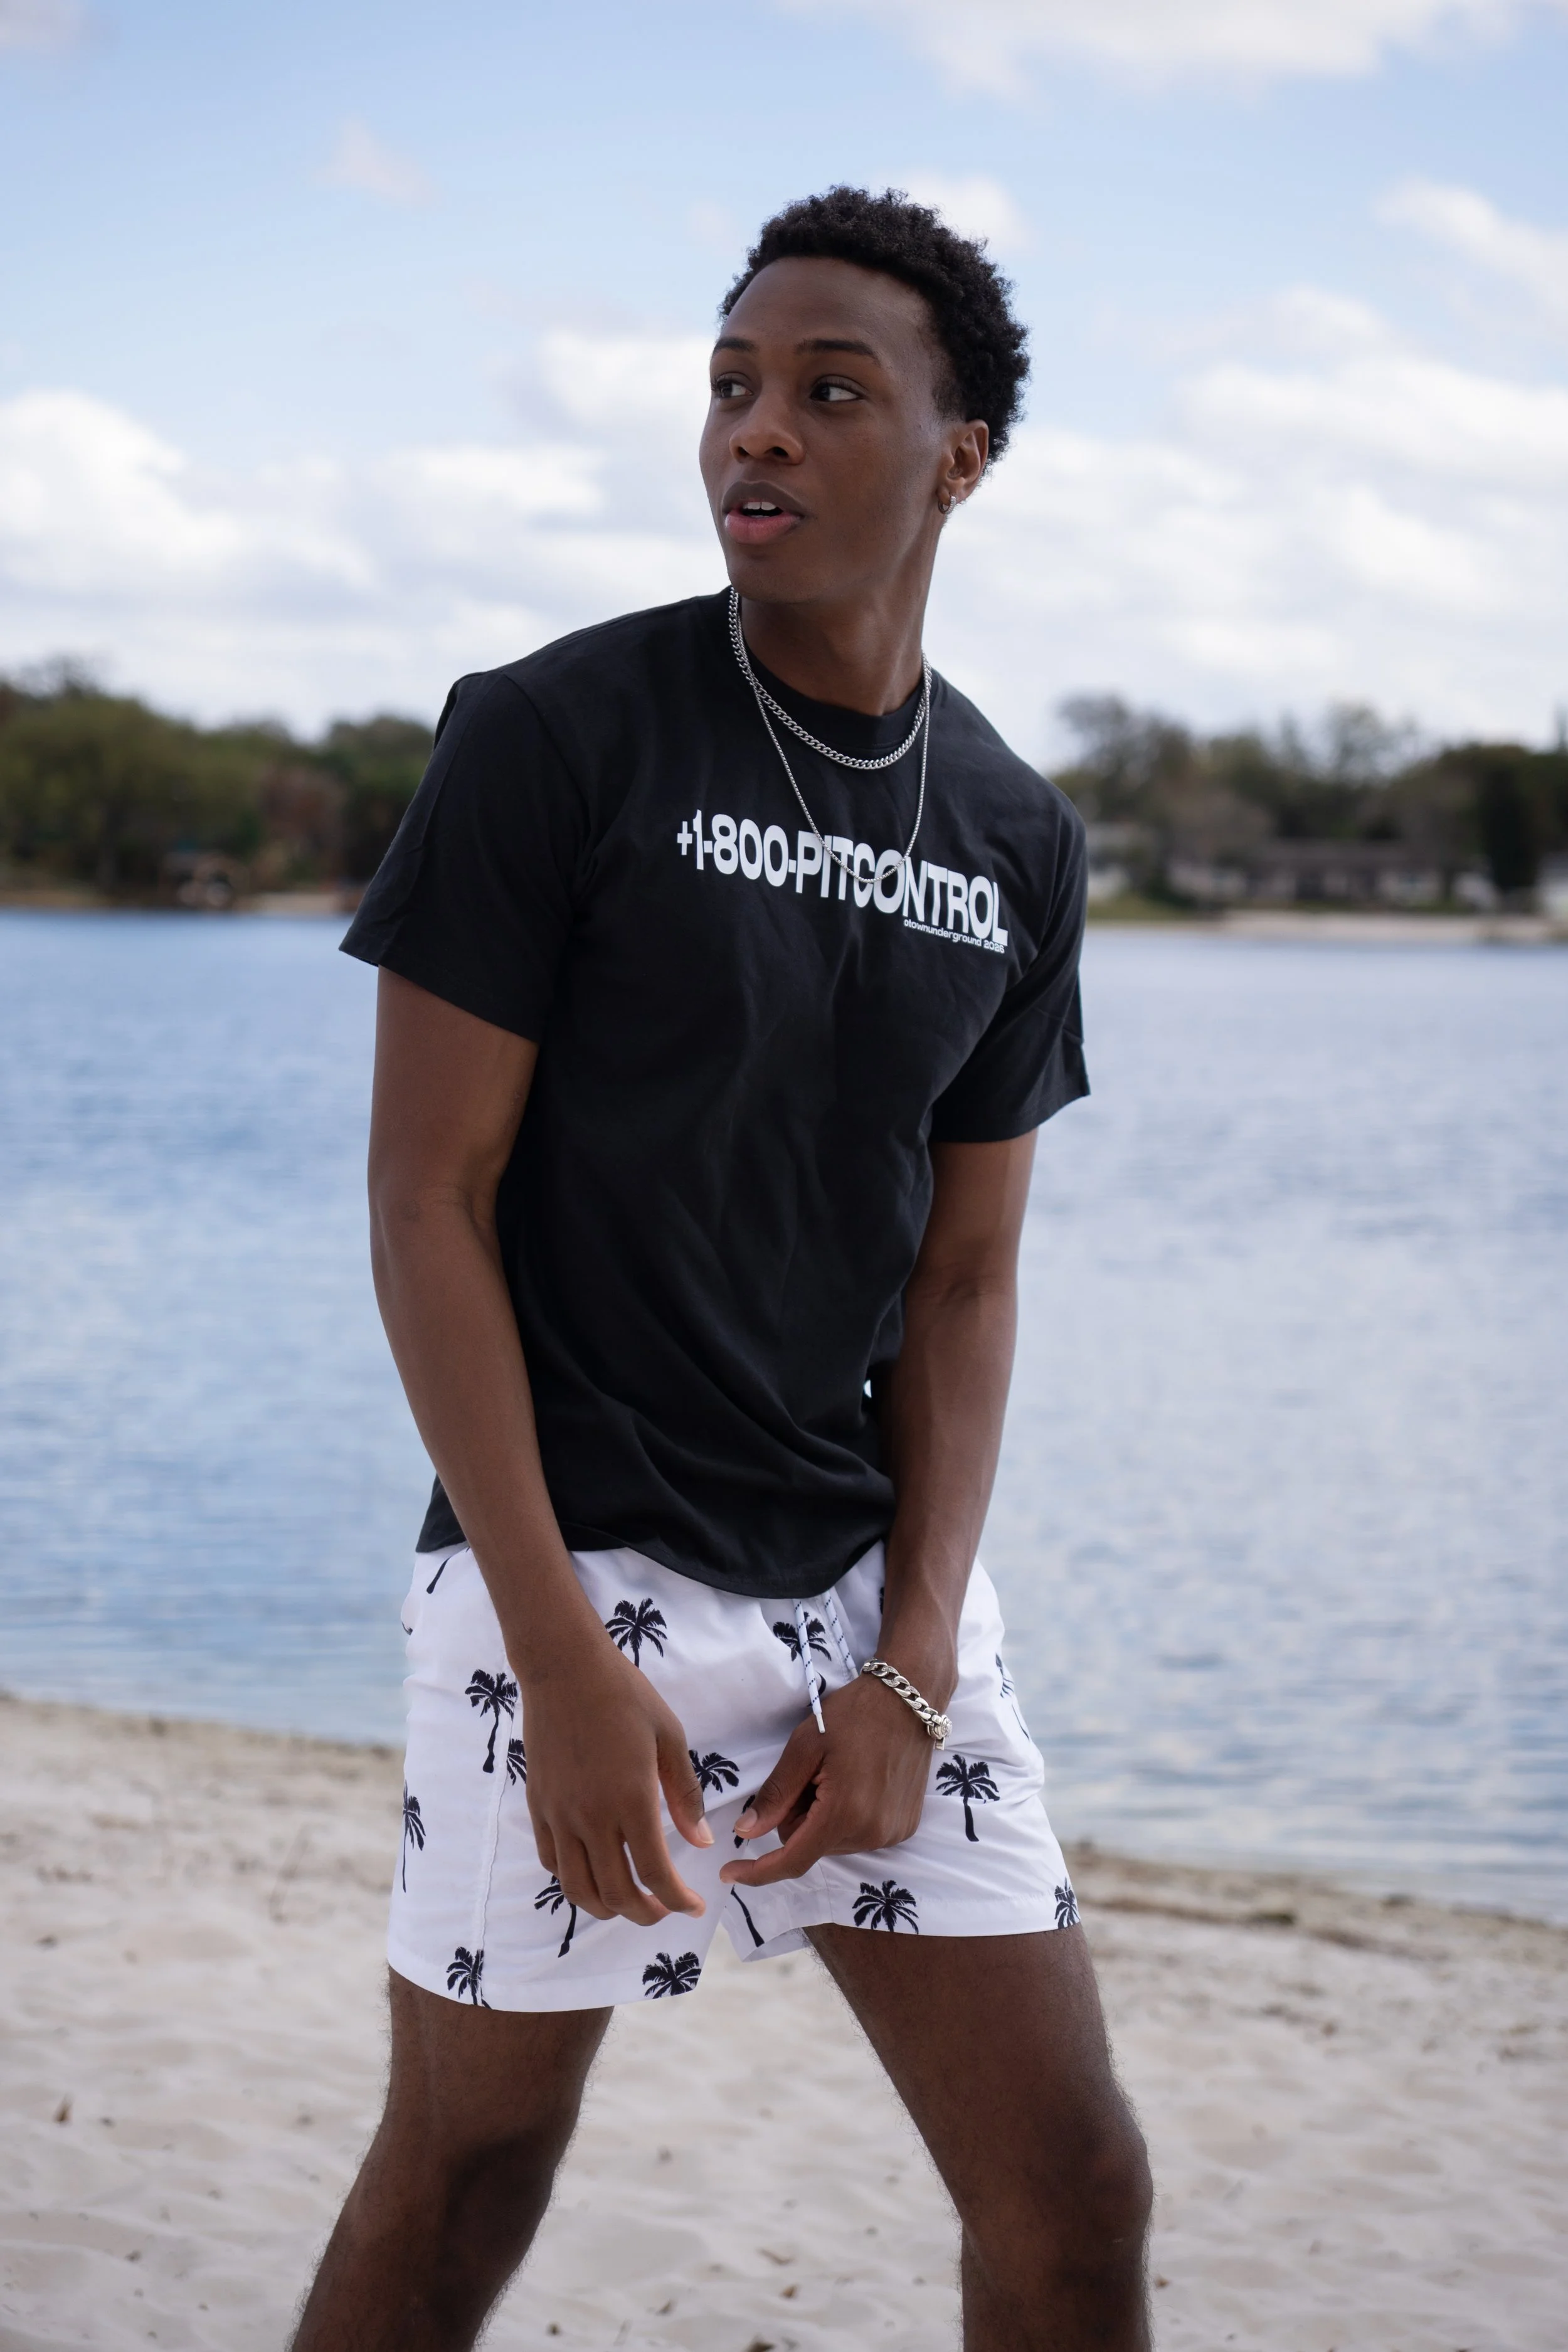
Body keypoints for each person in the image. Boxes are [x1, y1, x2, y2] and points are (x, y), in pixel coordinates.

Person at [295, 186, 1152, 2352]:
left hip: (869, 1597)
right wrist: (564, 1657)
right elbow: (425, 1204)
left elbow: (962, 1288)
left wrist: (913, 1666)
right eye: (732, 387)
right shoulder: (556, 733)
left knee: (1069, 2186)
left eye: (829, 392)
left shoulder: (1016, 839)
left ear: (961, 454)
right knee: (471, 2164)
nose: (754, 434)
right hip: (569, 1566)